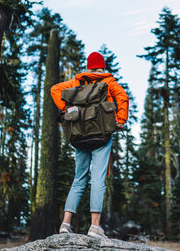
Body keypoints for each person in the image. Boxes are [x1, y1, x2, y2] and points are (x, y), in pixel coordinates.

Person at [50, 51, 129, 238]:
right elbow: (123, 98)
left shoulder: (76, 83)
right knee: (98, 180)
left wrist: (67, 110)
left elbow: (54, 89)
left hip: (79, 137)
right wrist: (120, 120)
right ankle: (94, 227)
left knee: (79, 180)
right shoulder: (109, 83)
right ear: (102, 66)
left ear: (88, 66)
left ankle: (65, 224)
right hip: (101, 136)